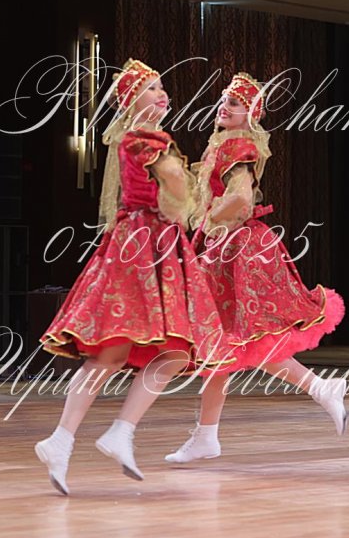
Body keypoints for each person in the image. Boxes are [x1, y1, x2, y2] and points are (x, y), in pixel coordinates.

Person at [34, 59, 227, 495]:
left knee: (137, 352)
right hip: (145, 245)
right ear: (130, 100)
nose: (162, 94)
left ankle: (83, 436)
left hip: (151, 242)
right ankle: (88, 435)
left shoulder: (141, 138)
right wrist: (195, 188)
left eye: (162, 87)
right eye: (152, 88)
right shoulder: (145, 138)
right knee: (147, 349)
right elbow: (175, 183)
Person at [165, 72, 348, 464]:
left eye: (234, 103)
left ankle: (319, 388)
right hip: (226, 245)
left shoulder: (239, 147)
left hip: (236, 248)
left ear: (251, 114)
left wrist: (210, 220)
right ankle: (207, 435)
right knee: (222, 344)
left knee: (243, 339)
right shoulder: (224, 143)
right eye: (223, 100)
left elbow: (242, 200)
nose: (224, 107)